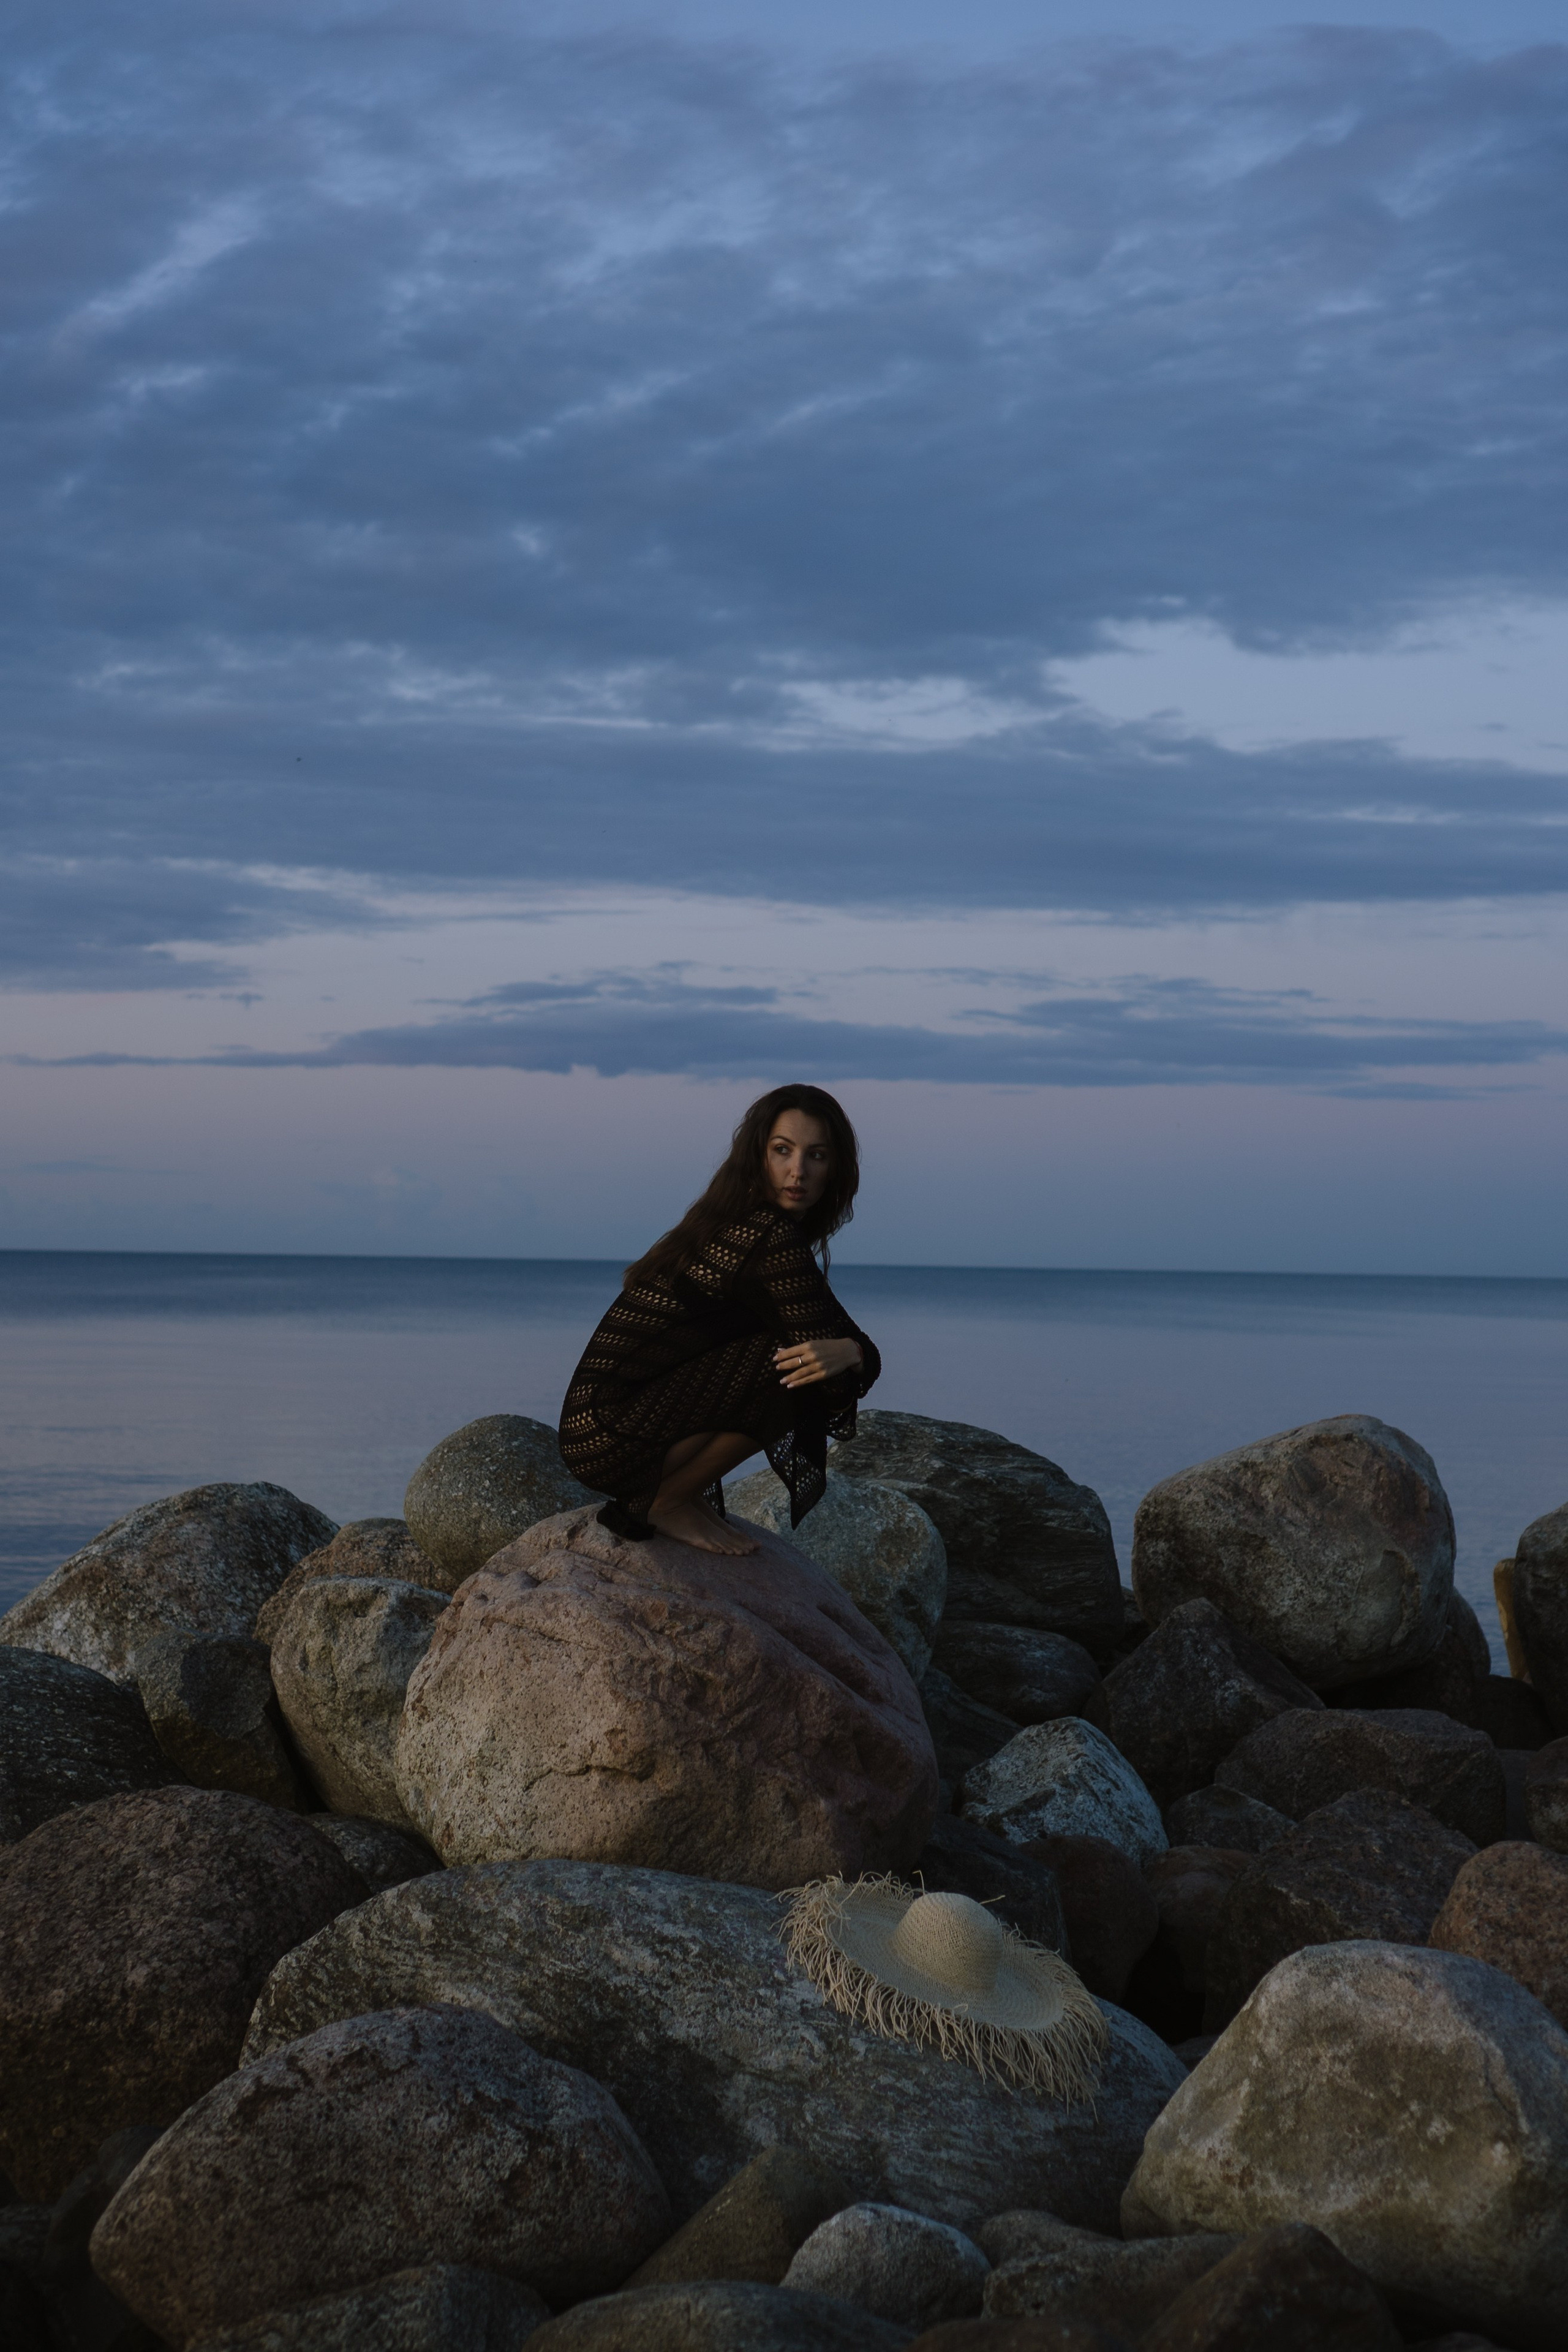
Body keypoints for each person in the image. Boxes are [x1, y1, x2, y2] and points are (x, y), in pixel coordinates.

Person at [559, 1084, 880, 1555]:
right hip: (611, 1432)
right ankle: (666, 1500)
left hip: (593, 1429)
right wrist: (853, 1354)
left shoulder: (733, 1221)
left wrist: (848, 1350)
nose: (798, 1171)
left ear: (835, 1169)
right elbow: (829, 1352)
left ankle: (678, 1494)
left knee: (801, 1354)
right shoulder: (766, 1234)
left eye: (817, 1155)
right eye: (782, 1151)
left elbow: (831, 1331)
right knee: (797, 1368)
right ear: (757, 1156)